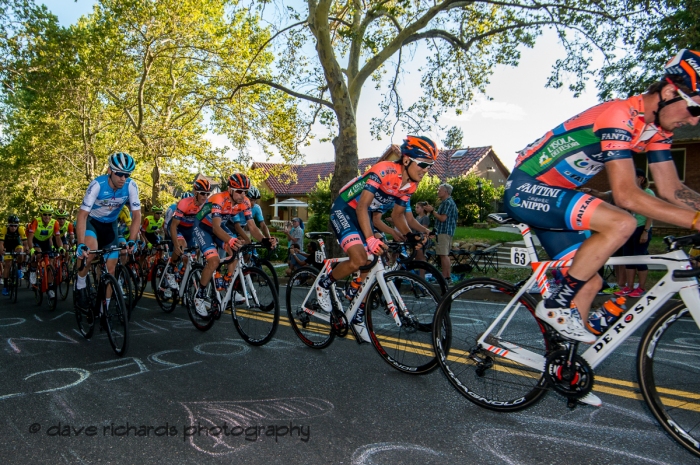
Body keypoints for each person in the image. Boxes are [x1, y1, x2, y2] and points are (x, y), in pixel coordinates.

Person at [503, 49, 700, 345]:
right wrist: (695, 220)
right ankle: (556, 305)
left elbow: (671, 188)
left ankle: (564, 371)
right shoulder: (620, 114)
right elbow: (627, 195)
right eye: (695, 110)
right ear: (671, 91)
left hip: (557, 196)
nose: (695, 122)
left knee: (589, 280)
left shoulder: (656, 131)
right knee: (622, 222)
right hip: (525, 187)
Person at [315, 135, 438, 325]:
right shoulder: (383, 170)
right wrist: (371, 238)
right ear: (406, 160)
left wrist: (410, 235)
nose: (426, 170)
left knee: (375, 259)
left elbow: (399, 215)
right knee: (360, 258)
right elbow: (362, 206)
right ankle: (324, 283)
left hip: (363, 214)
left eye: (430, 166)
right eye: (423, 164)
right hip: (346, 209)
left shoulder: (411, 185)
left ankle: (357, 313)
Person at [191, 174, 277, 317]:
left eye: (245, 191)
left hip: (218, 226)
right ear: (230, 189)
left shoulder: (245, 202)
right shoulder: (219, 199)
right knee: (214, 261)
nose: (243, 195)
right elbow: (216, 228)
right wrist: (230, 240)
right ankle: (199, 296)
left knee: (238, 248)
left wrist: (264, 240)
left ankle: (227, 283)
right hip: (202, 227)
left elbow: (253, 227)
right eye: (239, 191)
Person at [74, 152, 141, 310]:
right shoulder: (97, 185)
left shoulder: (131, 186)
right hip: (92, 222)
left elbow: (137, 215)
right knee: (89, 252)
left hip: (111, 225)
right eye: (119, 174)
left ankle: (106, 308)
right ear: (110, 171)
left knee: (111, 270)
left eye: (126, 175)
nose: (123, 178)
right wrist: (80, 243)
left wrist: (132, 240)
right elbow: (82, 215)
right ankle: (80, 283)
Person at [613, 168, 655, 299]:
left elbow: (650, 214)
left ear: (641, 179)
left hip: (641, 228)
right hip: (630, 229)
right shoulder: (630, 193)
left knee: (639, 258)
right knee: (628, 258)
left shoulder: (648, 193)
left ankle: (641, 287)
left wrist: (645, 232)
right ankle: (629, 286)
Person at [165, 179, 212, 289]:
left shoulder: (206, 206)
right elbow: (173, 226)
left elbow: (206, 225)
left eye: (207, 194)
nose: (205, 196)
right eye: (202, 193)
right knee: (181, 244)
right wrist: (176, 245)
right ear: (195, 193)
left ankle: (182, 278)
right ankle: (170, 269)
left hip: (190, 230)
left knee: (190, 257)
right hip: (177, 227)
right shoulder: (185, 203)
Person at [424, 183, 458, 285]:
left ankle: (446, 278)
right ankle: (446, 277)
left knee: (444, 255)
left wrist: (432, 211)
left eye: (440, 190)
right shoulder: (445, 202)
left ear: (446, 192)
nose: (438, 191)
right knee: (443, 255)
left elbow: (442, 218)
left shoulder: (447, 203)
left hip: (445, 231)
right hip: (443, 231)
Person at [0, 214, 28, 296]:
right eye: (11, 225)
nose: (13, 227)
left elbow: (25, 242)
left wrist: (27, 249)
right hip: (7, 246)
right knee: (8, 264)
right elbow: (1, 243)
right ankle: (5, 286)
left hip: (17, 245)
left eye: (15, 226)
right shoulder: (4, 229)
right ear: (8, 225)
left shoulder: (21, 229)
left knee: (20, 251)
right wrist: (1, 251)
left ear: (17, 225)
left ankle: (19, 269)